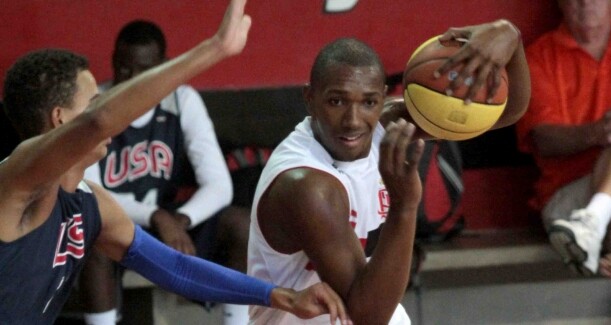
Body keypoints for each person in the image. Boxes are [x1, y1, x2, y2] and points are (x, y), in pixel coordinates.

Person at [0, 1, 351, 324]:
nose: (104, 108)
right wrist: (215, 49)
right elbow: (98, 122)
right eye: (93, 101)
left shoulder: (90, 202)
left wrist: (281, 296)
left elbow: (177, 268)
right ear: (61, 119)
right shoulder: (16, 180)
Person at [247, 20, 530, 324]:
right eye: (336, 101)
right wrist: (405, 206)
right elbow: (368, 317)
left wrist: (511, 38)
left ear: (382, 98)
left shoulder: (385, 127)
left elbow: (508, 110)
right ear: (310, 99)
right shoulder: (306, 186)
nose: (354, 121)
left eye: (368, 102)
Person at [79, 19, 251, 325]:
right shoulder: (96, 106)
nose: (132, 80)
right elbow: (90, 191)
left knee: (240, 224)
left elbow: (219, 185)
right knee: (93, 233)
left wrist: (180, 220)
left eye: (144, 71)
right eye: (124, 68)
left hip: (173, 219)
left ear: (164, 67)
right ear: (113, 63)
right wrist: (157, 216)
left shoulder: (181, 100)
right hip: (120, 222)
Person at [515, 0, 611, 279]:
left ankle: (593, 220)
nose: (586, 2)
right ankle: (594, 216)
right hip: (566, 197)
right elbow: (544, 139)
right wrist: (600, 130)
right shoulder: (538, 57)